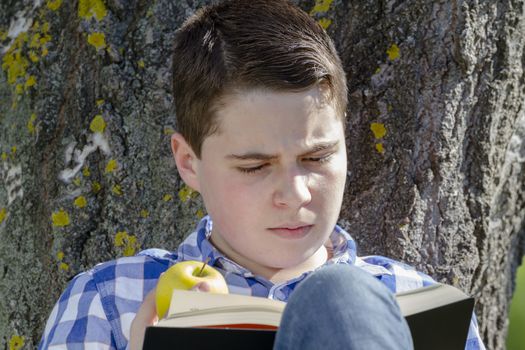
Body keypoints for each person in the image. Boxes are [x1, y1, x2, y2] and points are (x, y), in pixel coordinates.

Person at [39, 1, 486, 349]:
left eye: (316, 157)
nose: (294, 195)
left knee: (342, 298)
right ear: (188, 162)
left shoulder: (416, 300)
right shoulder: (108, 300)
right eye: (255, 166)